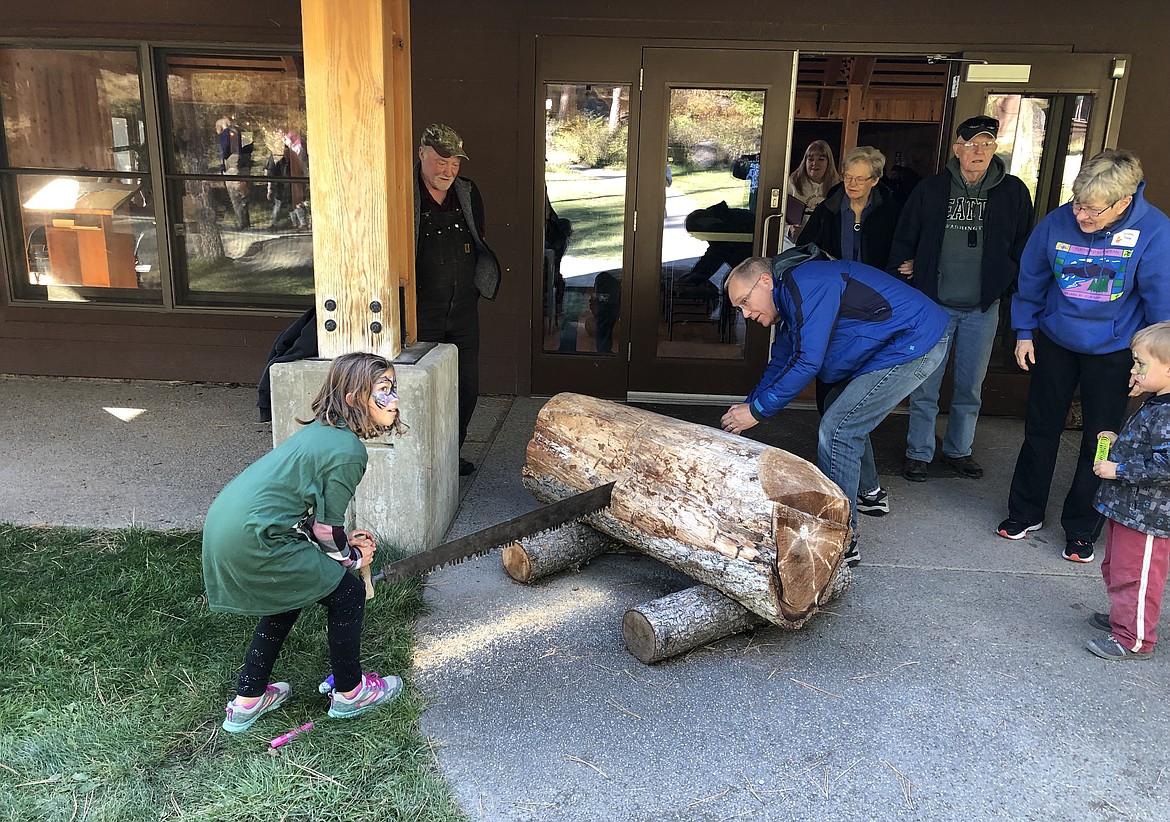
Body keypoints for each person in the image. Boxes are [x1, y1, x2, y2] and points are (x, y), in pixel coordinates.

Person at [203, 353, 406, 732]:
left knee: (290, 591)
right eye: (383, 390)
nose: (394, 399)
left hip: (230, 527)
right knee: (346, 593)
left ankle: (248, 701)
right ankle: (350, 693)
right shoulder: (348, 451)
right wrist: (353, 557)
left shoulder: (321, 432)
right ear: (352, 399)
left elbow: (315, 520)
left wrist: (342, 543)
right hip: (256, 537)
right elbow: (326, 532)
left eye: (393, 389)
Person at [720, 246, 949, 567]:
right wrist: (749, 406)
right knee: (841, 411)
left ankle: (839, 539)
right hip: (895, 341)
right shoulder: (790, 297)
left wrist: (757, 412)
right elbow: (782, 361)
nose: (745, 313)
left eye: (745, 302)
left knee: (838, 429)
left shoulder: (806, 282)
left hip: (916, 340)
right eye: (738, 308)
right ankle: (870, 494)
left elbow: (808, 361)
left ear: (765, 282)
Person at [998, 149, 1170, 562]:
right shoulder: (1057, 220)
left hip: (1116, 350)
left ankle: (1082, 524)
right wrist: (1024, 332)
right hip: (1056, 340)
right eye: (1078, 205)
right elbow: (1032, 278)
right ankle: (1025, 511)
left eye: (1093, 210)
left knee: (1102, 438)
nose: (1082, 217)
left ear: (1124, 202)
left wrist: (1148, 363)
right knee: (1040, 428)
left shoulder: (1154, 230)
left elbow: (1160, 303)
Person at [888, 115, 1034, 484]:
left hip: (982, 307)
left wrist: (1007, 279)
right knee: (925, 382)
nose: (979, 151)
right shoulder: (932, 189)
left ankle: (958, 451)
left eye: (986, 144)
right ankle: (918, 452)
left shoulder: (1013, 191)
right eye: (971, 144)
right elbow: (906, 234)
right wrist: (907, 266)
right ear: (957, 149)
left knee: (970, 386)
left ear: (994, 149)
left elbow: (1023, 243)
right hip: (934, 305)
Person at [795, 146, 902, 518]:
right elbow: (804, 248)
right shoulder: (828, 208)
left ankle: (864, 490)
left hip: (876, 312)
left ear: (875, 180)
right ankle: (867, 489)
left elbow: (905, 246)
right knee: (834, 401)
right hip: (836, 311)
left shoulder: (891, 208)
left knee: (851, 405)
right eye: (848, 177)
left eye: (861, 179)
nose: (853, 184)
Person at [413, 124, 501, 476]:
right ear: (422, 155)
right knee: (420, 388)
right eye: (440, 161)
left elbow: (479, 238)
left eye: (454, 163)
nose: (447, 170)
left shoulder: (466, 191)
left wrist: (477, 286)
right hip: (421, 310)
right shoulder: (405, 192)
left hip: (463, 308)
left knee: (466, 388)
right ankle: (421, 459)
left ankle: (450, 455)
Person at [1087, 320, 1170, 660]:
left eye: (1141, 364)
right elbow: (1150, 451)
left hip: (1149, 517)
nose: (1134, 371)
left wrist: (1117, 468)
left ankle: (1134, 637)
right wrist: (1119, 445)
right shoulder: (1157, 402)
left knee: (1137, 575)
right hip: (1130, 509)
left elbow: (1166, 465)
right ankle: (1125, 618)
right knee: (1119, 568)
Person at [786, 140, 841, 239]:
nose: (815, 163)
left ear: (829, 163)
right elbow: (778, 216)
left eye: (821, 159)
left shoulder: (838, 187)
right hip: (794, 244)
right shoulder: (792, 183)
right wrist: (789, 230)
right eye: (810, 159)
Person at [265, 129, 309, 230]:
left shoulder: (277, 155)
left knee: (287, 203)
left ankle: (296, 223)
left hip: (285, 183)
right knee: (291, 202)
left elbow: (271, 172)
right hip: (287, 182)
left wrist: (270, 187)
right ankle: (299, 223)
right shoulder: (290, 154)